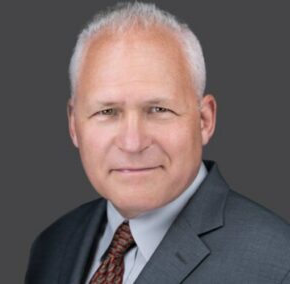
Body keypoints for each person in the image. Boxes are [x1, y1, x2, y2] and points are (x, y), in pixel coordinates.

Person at [25, 2, 290, 283]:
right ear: (74, 124)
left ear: (204, 120)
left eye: (158, 110)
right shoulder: (52, 246)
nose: (132, 143)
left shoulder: (277, 265)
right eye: (107, 112)